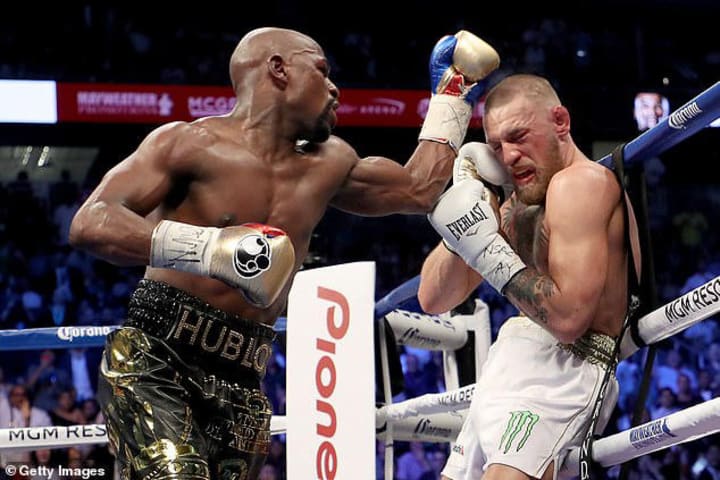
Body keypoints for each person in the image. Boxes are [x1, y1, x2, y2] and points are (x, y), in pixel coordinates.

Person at [68, 26, 500, 480]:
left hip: (243, 378)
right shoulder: (188, 143)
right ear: (278, 69)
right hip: (158, 356)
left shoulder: (330, 162)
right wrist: (210, 248)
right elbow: (91, 221)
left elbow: (418, 189)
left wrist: (451, 97)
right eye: (321, 70)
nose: (334, 88)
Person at [418, 73, 642, 480]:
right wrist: (469, 204)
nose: (508, 156)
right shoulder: (515, 207)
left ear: (560, 122)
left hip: (561, 372)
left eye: (519, 137)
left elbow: (569, 320)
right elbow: (433, 298)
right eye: (496, 147)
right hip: (504, 366)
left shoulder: (581, 184)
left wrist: (487, 250)